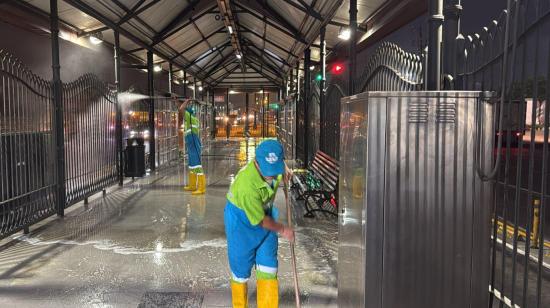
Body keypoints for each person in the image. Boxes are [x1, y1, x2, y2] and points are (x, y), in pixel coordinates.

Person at [224, 139, 295, 308]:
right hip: (241, 225)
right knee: (240, 270)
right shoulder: (246, 187)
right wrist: (284, 229)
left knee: (268, 266)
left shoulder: (275, 166)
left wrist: (285, 171)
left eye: (275, 169)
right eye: (267, 171)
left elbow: (280, 166)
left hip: (266, 219)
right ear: (256, 162)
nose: (270, 175)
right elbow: (260, 221)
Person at [180, 100, 206, 195]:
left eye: (185, 113)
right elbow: (182, 108)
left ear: (188, 112)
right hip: (190, 143)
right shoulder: (192, 118)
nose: (183, 115)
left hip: (193, 143)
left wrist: (186, 101)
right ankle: (192, 185)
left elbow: (181, 108)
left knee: (197, 165)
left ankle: (201, 188)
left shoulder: (189, 117)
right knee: (191, 165)